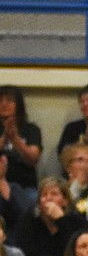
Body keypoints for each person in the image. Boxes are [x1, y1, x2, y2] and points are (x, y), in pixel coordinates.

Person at [0, 84, 43, 222]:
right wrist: (5, 137)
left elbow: (33, 158)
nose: (4, 104)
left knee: (33, 205)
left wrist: (15, 138)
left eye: (9, 100)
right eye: (0, 100)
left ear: (19, 105)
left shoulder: (31, 129)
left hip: (26, 187)